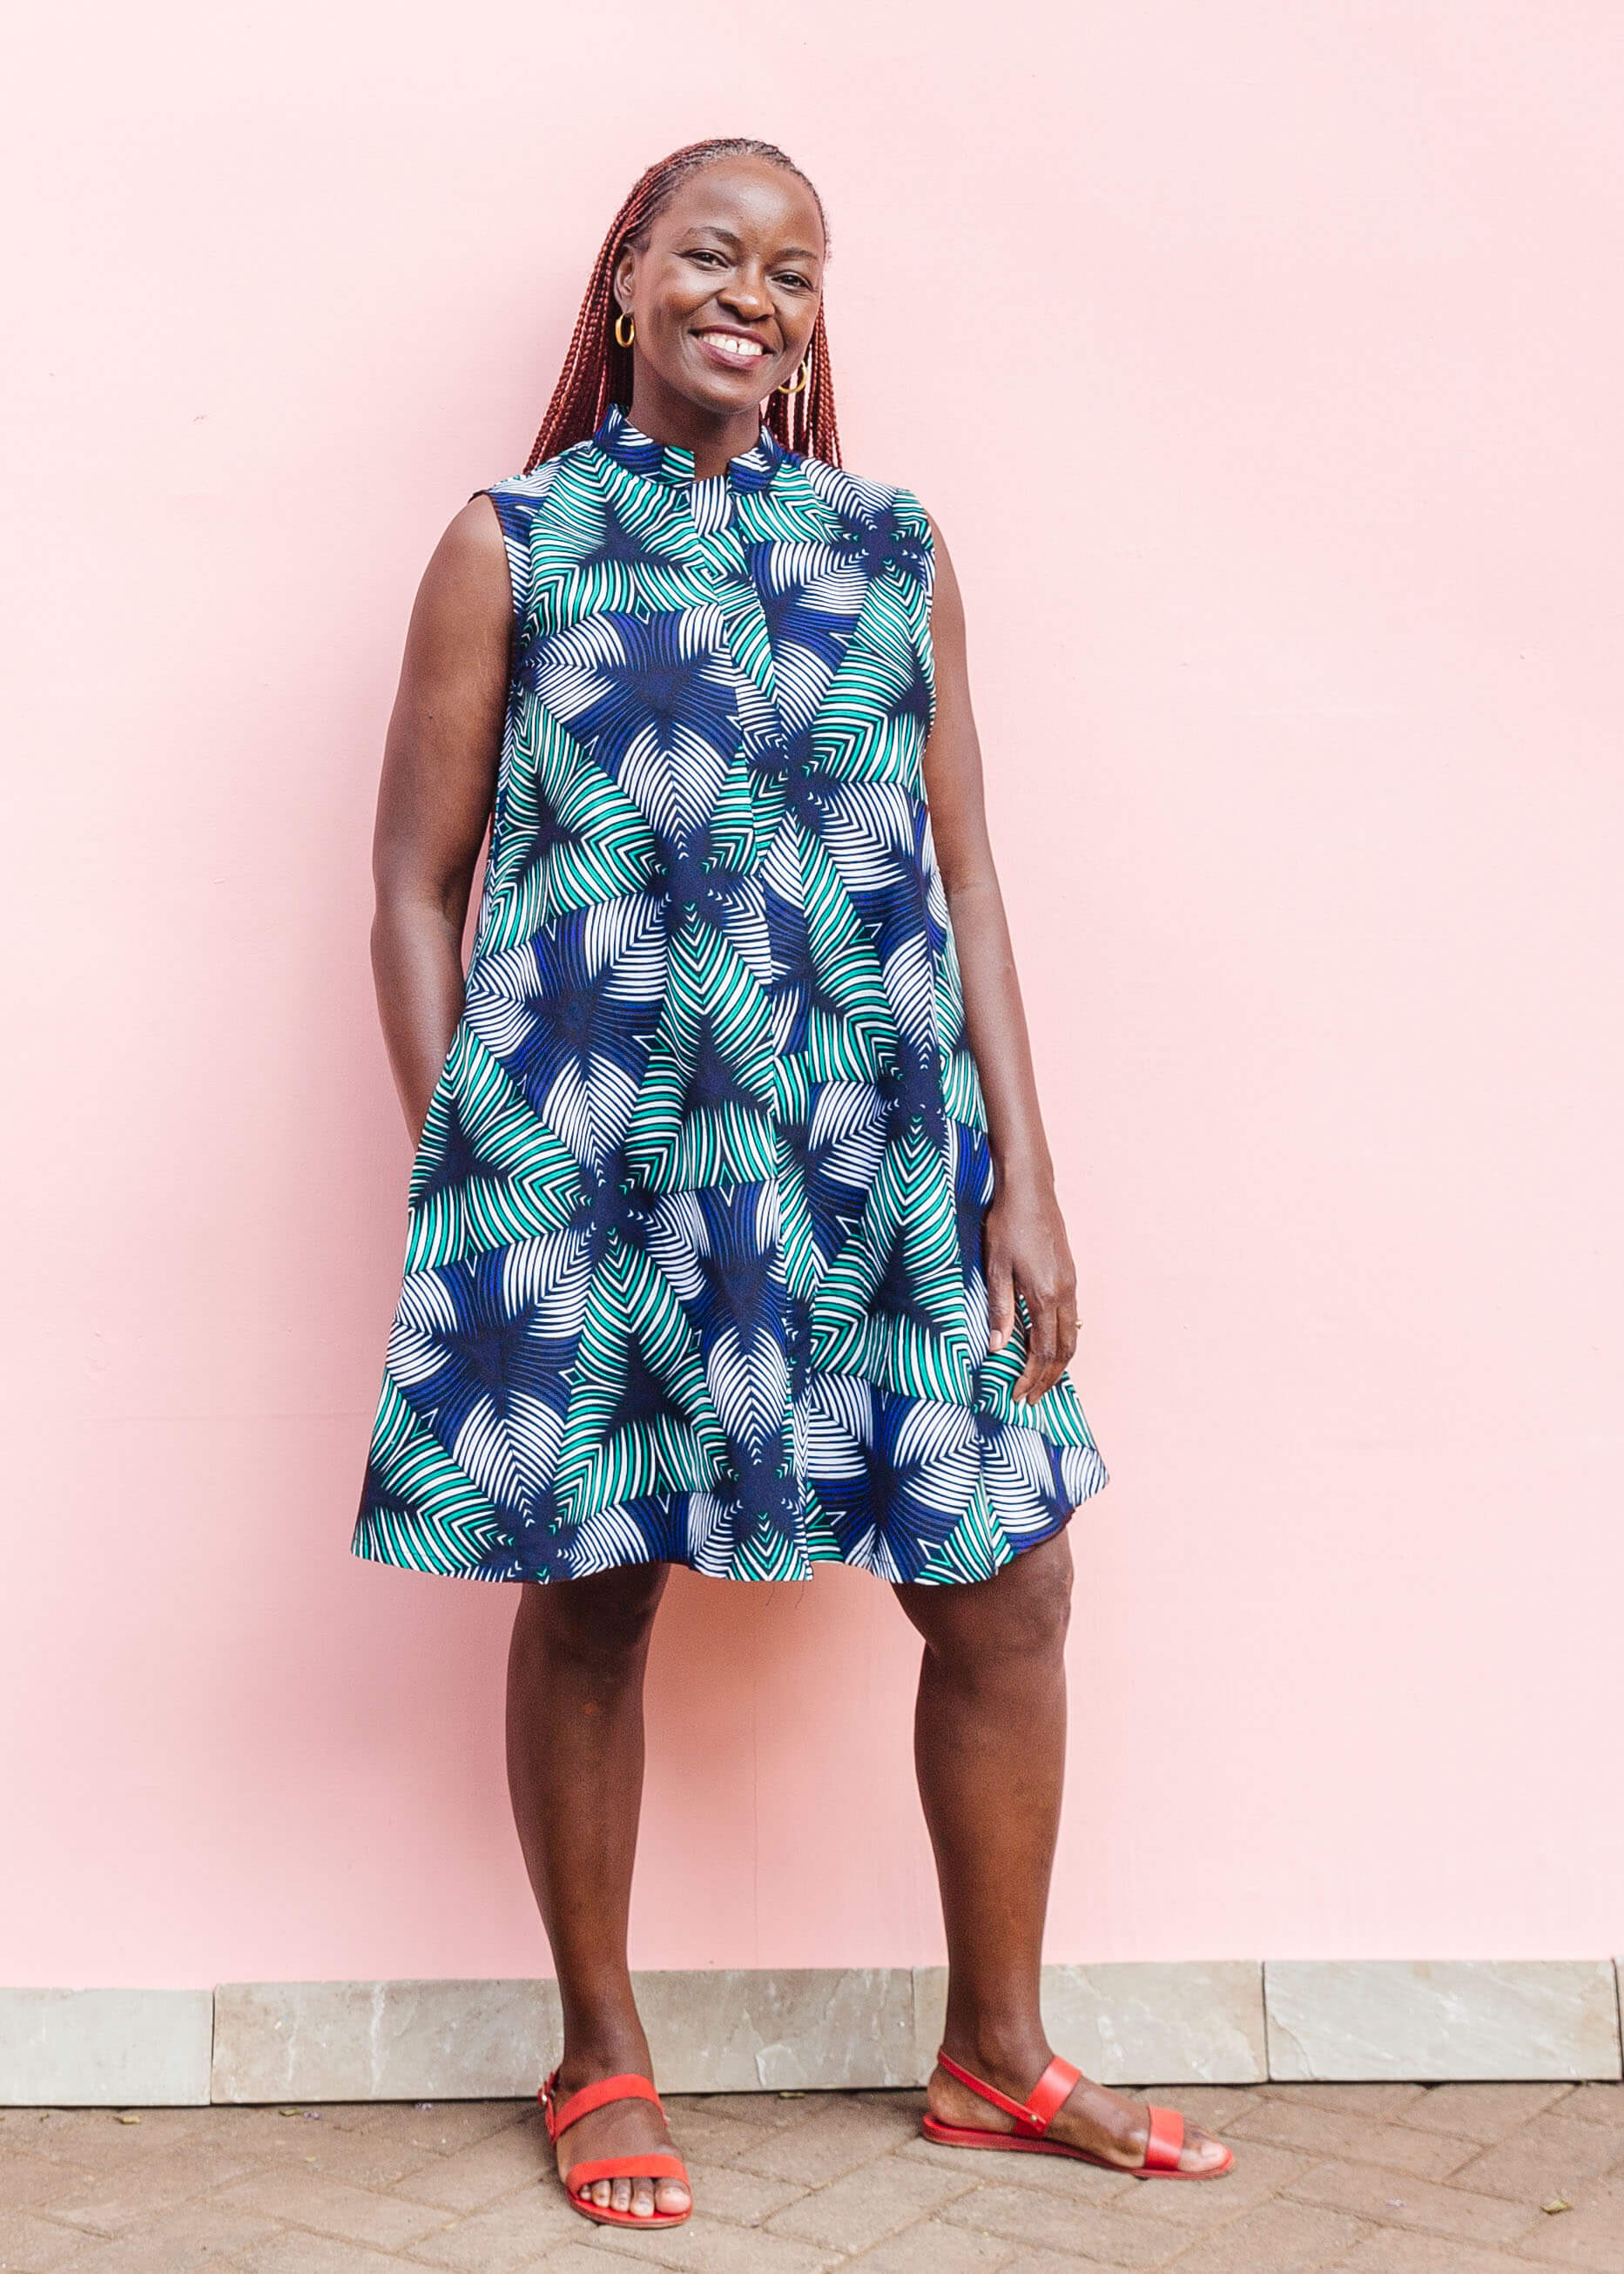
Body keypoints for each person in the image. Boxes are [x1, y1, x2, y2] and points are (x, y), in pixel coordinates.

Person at [354, 135, 1232, 2232]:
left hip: (874, 1165)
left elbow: (976, 885)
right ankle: (602, 2052)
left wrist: (1029, 1179)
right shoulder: (520, 540)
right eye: (717, 255)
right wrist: (467, 1167)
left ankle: (996, 2055)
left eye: (800, 275)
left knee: (1011, 1583)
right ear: (631, 280)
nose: (759, 296)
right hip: (602, 1174)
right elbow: (408, 881)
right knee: (592, 1591)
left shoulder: (891, 548)